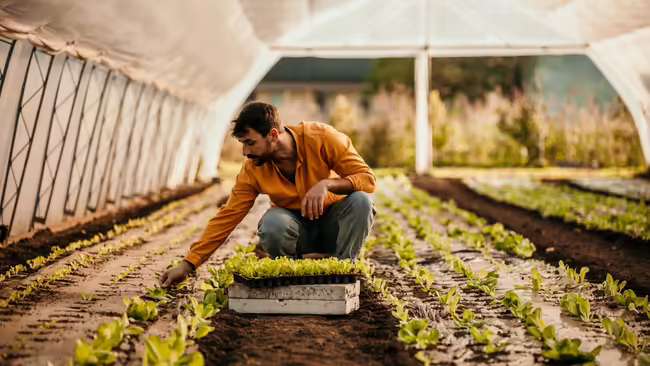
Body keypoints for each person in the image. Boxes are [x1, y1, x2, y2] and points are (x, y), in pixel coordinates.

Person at [160, 101, 376, 287]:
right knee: (273, 223)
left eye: (250, 143)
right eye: (243, 144)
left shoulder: (322, 138)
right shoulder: (253, 168)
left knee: (361, 201)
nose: (245, 152)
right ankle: (294, 272)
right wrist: (188, 264)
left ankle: (341, 269)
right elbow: (229, 215)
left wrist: (328, 184)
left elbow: (367, 179)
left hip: (333, 230)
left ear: (273, 135)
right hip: (297, 235)